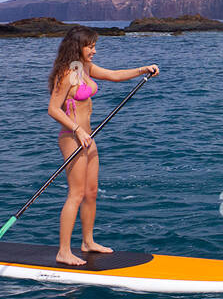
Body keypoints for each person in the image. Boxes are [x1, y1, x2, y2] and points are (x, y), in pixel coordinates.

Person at [46, 27, 158, 265]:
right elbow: (53, 109)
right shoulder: (67, 73)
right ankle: (64, 251)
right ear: (78, 47)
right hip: (72, 137)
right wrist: (76, 129)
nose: (94, 51)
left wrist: (142, 70)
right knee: (75, 194)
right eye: (91, 46)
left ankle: (88, 241)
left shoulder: (84, 69)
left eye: (95, 46)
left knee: (91, 193)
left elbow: (114, 75)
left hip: (89, 138)